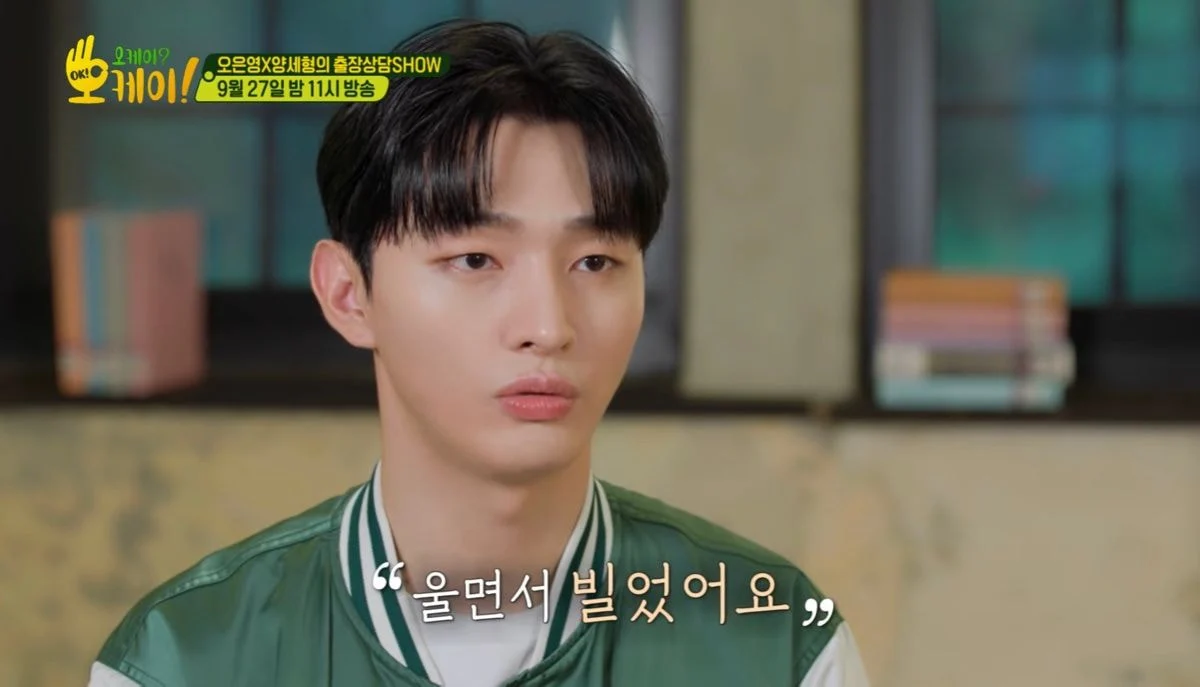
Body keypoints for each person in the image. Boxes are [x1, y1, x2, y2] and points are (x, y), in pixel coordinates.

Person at [89, 19, 870, 687]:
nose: (548, 326)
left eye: (594, 261)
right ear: (348, 294)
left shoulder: (778, 646)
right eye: (475, 260)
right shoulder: (182, 659)